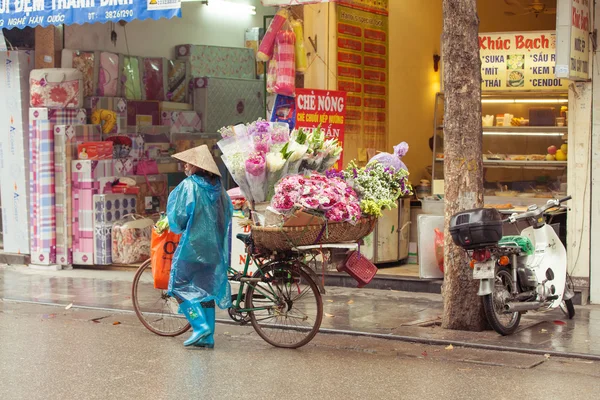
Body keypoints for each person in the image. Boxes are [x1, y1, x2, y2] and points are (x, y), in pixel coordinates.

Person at [167, 145, 233, 348]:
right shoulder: (219, 188)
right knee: (206, 290)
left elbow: (178, 218)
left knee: (177, 287)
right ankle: (208, 337)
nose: (185, 165)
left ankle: (199, 326)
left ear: (197, 166)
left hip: (192, 247)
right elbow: (227, 214)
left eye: (188, 162)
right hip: (214, 250)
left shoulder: (189, 186)